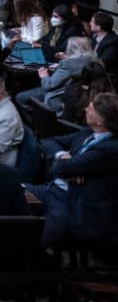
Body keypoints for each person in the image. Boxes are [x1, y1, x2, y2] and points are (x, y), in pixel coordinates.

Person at [27, 93, 118, 246]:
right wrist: (63, 155)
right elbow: (49, 141)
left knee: (42, 239)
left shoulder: (110, 149)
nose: (85, 109)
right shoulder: (88, 132)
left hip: (73, 203)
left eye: (90, 109)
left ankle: (38, 262)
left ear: (101, 120)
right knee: (12, 190)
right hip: (50, 191)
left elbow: (59, 168)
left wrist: (65, 166)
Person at [17, 36, 97, 111]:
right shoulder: (94, 62)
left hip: (57, 97)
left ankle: (37, 119)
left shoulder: (67, 64)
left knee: (20, 97)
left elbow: (48, 86)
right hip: (82, 98)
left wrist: (44, 76)